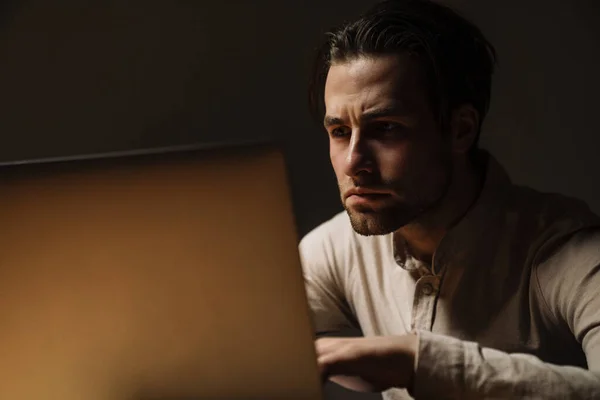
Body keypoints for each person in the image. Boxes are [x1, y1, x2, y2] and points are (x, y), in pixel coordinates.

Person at [300, 0, 600, 399]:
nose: (354, 162)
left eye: (386, 128)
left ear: (460, 130)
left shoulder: (565, 249)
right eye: (340, 132)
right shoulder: (331, 251)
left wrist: (416, 361)